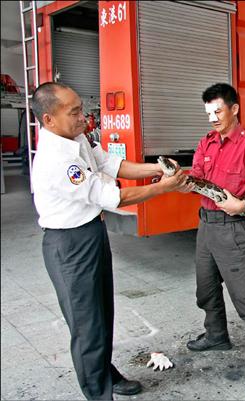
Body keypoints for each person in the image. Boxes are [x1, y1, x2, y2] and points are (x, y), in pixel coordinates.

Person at [30, 82, 188, 400]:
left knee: (102, 315)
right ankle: (98, 393)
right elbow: (112, 195)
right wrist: (164, 187)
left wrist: (158, 168)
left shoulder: (76, 137)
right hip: (69, 246)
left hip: (91, 234)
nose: (83, 117)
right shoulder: (56, 160)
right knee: (87, 325)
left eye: (81, 108)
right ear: (48, 119)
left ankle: (107, 375)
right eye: (74, 112)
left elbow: (111, 166)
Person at [184, 83, 245, 396]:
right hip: (206, 227)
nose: (213, 117)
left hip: (233, 228)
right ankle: (216, 335)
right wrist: (182, 180)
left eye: (218, 111)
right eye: (208, 113)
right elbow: (198, 175)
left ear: (234, 108)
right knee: (206, 288)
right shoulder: (206, 142)